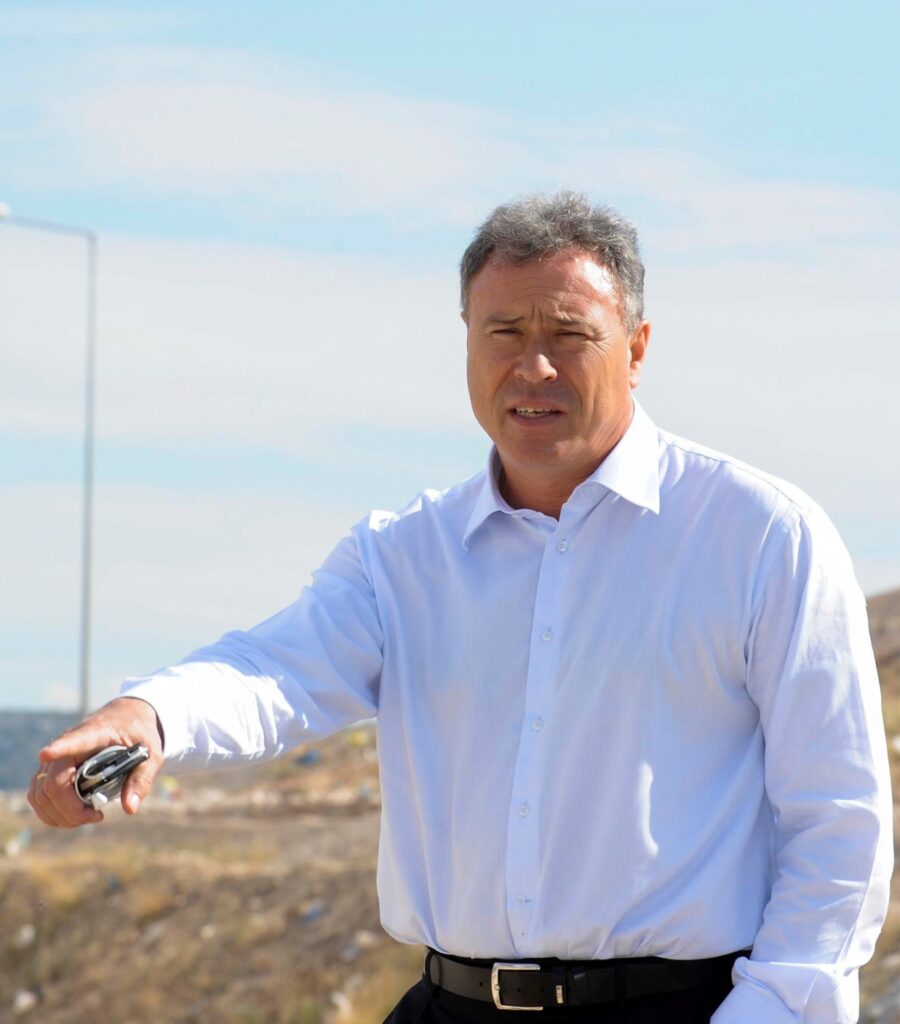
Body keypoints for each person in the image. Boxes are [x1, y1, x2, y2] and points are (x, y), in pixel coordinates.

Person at [30, 192, 893, 1024]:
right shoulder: (403, 554)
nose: (534, 366)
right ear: (467, 343)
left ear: (636, 348)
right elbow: (275, 671)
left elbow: (839, 826)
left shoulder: (763, 538)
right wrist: (149, 716)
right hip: (448, 1007)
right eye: (504, 332)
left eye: (570, 334)